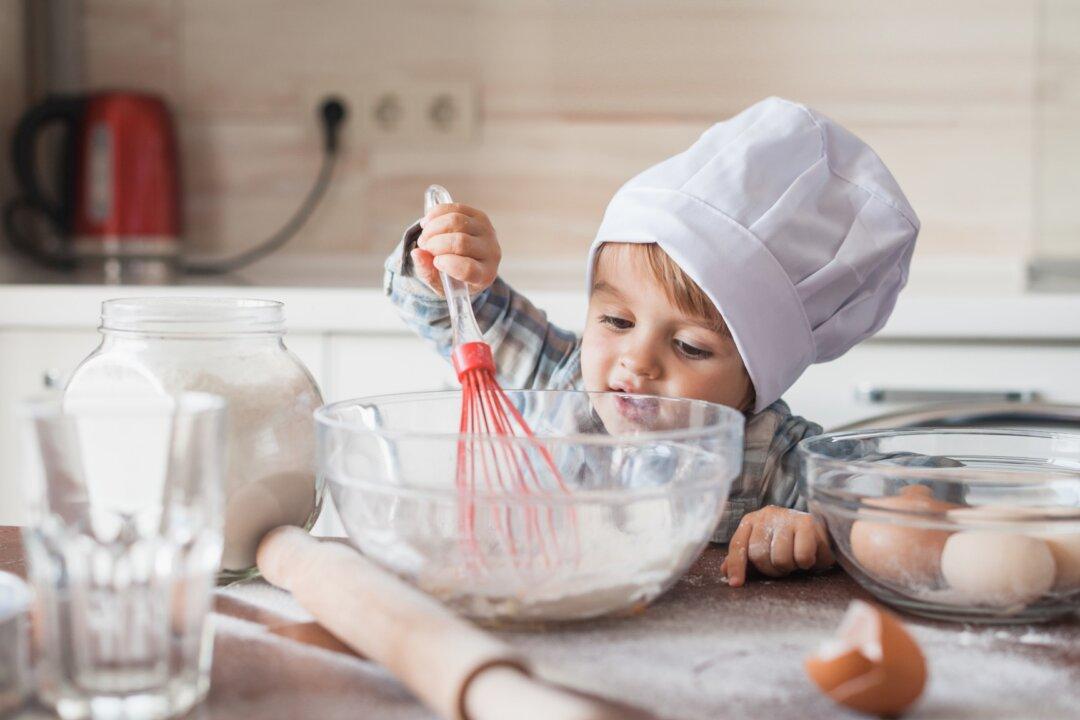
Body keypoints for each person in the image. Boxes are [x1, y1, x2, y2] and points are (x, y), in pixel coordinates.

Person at [384, 97, 919, 586]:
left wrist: (816, 531)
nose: (637, 361)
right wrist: (442, 265)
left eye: (689, 346)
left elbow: (917, 497)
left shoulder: (775, 456)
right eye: (616, 321)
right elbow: (440, 311)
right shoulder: (557, 379)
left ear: (759, 378)